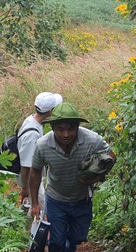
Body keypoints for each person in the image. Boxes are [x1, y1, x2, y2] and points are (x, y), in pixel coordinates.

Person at [28, 103, 116, 252]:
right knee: (56, 242)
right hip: (56, 199)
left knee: (77, 238)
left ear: (77, 127)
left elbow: (112, 156)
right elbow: (35, 172)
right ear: (52, 128)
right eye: (60, 129)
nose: (66, 134)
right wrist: (35, 203)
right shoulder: (42, 145)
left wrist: (95, 178)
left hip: (82, 199)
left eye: (71, 129)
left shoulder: (91, 139)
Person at [17, 91, 63, 212]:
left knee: (36, 205)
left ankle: (31, 223)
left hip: (31, 175)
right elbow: (26, 165)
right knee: (40, 208)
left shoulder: (32, 120)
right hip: (29, 178)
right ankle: (35, 229)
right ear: (50, 111)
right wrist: (25, 187)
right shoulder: (32, 133)